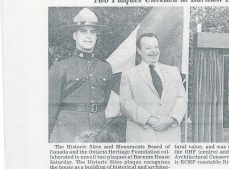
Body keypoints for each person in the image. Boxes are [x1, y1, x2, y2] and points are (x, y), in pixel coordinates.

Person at [49, 8, 113, 142]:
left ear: (96, 36)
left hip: (98, 131)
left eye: (93, 32)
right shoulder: (61, 66)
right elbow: (50, 106)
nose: (88, 36)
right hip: (68, 133)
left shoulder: (105, 67)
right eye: (83, 31)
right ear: (74, 35)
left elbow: (104, 101)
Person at [120, 33, 187, 142]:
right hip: (142, 137)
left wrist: (170, 120)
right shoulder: (128, 74)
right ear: (139, 50)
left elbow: (182, 99)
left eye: (156, 47)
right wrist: (151, 120)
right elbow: (126, 104)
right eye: (148, 48)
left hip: (170, 136)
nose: (154, 51)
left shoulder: (173, 71)